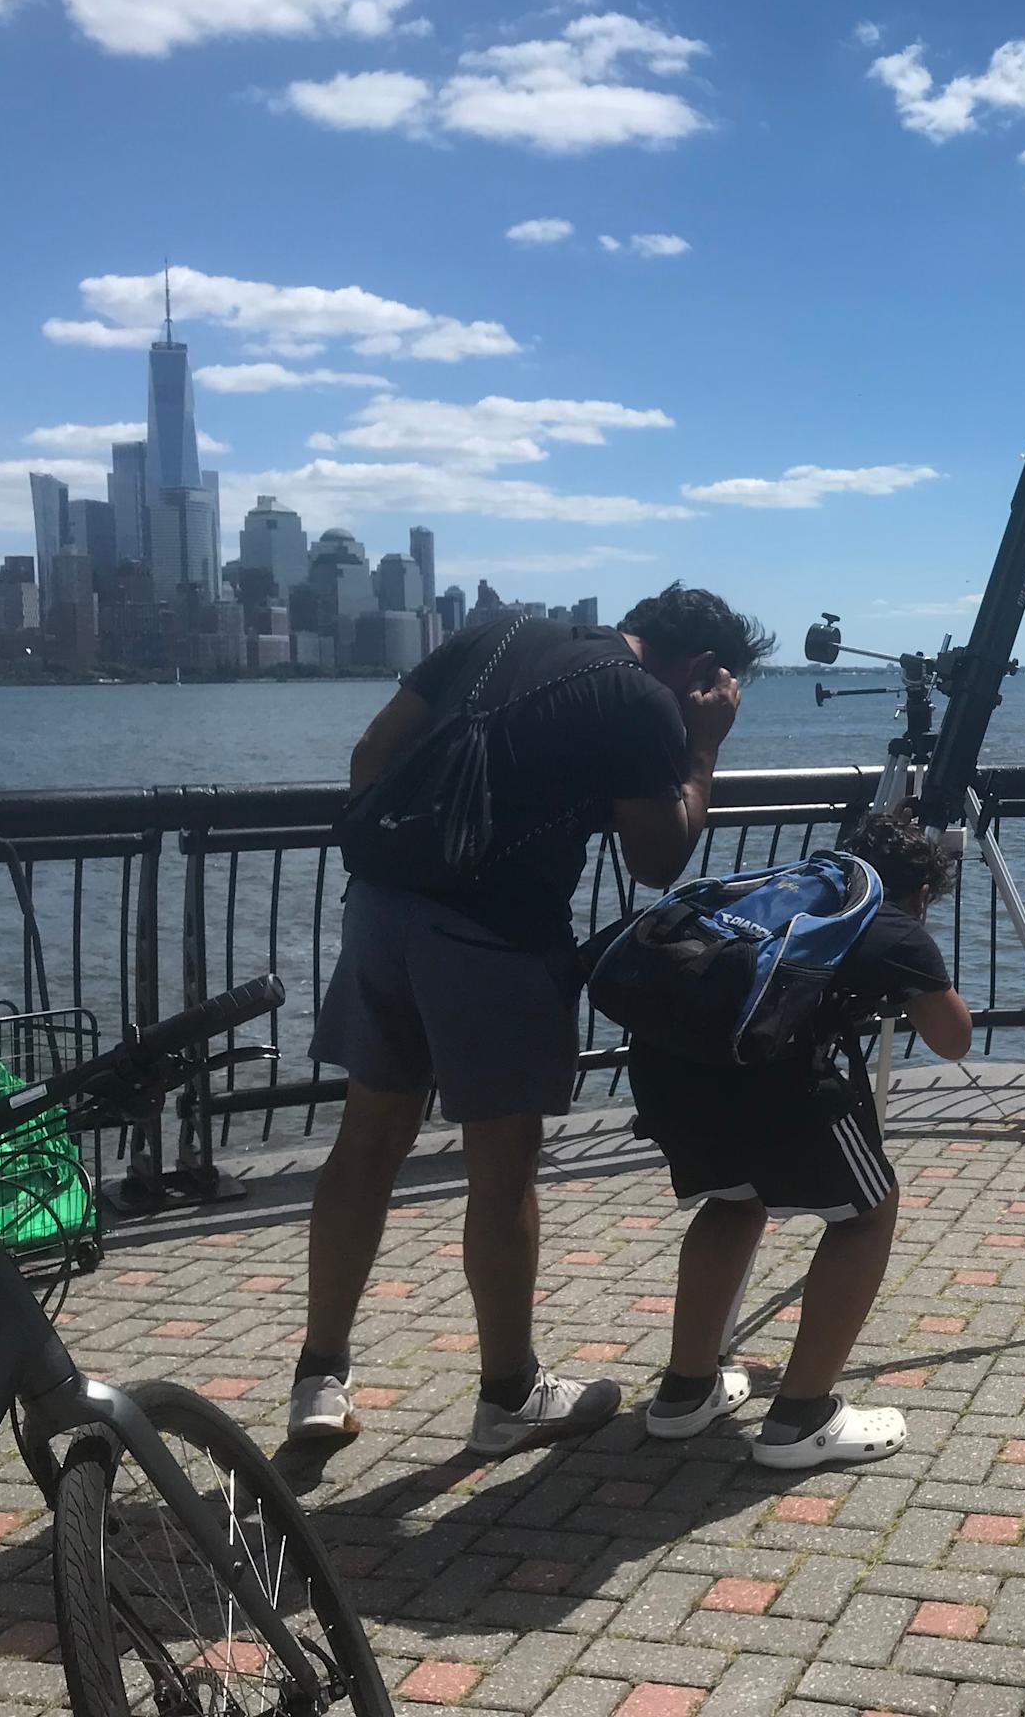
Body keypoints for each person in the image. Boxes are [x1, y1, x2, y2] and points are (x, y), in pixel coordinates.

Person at [293, 585, 772, 1458]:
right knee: (501, 1167)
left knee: (366, 1141)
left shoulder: (497, 628)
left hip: (382, 911)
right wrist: (704, 748)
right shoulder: (638, 701)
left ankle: (318, 1378)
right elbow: (657, 858)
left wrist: (421, 857)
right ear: (703, 668)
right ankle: (509, 1395)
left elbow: (372, 754)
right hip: (497, 938)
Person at [627, 805, 971, 1468]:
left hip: (670, 1068)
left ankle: (684, 1393)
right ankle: (800, 1419)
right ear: (922, 890)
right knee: (869, 1214)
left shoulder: (786, 888)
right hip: (766, 1082)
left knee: (733, 1198)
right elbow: (952, 1039)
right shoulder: (893, 922)